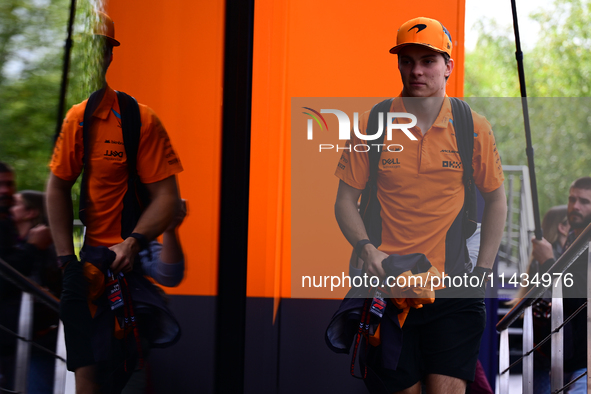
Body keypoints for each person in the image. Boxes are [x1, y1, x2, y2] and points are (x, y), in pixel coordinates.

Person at [334, 17, 507, 394]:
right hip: (387, 289)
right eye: (407, 60)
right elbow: (344, 202)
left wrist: (482, 271)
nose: (416, 70)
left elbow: (496, 199)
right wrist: (367, 250)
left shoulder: (472, 127)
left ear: (448, 65)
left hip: (454, 290)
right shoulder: (373, 124)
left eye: (428, 60)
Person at [46, 11, 183, 394]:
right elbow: (57, 187)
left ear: (108, 56)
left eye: (98, 49)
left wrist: (134, 240)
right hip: (84, 271)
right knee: (87, 380)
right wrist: (65, 260)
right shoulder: (77, 118)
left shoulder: (140, 120)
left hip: (129, 269)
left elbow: (167, 197)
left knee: (127, 376)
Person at [532, 177, 591, 394]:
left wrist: (548, 261)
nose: (575, 206)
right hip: (569, 354)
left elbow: (579, 292)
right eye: (572, 199)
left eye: (584, 201)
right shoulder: (573, 239)